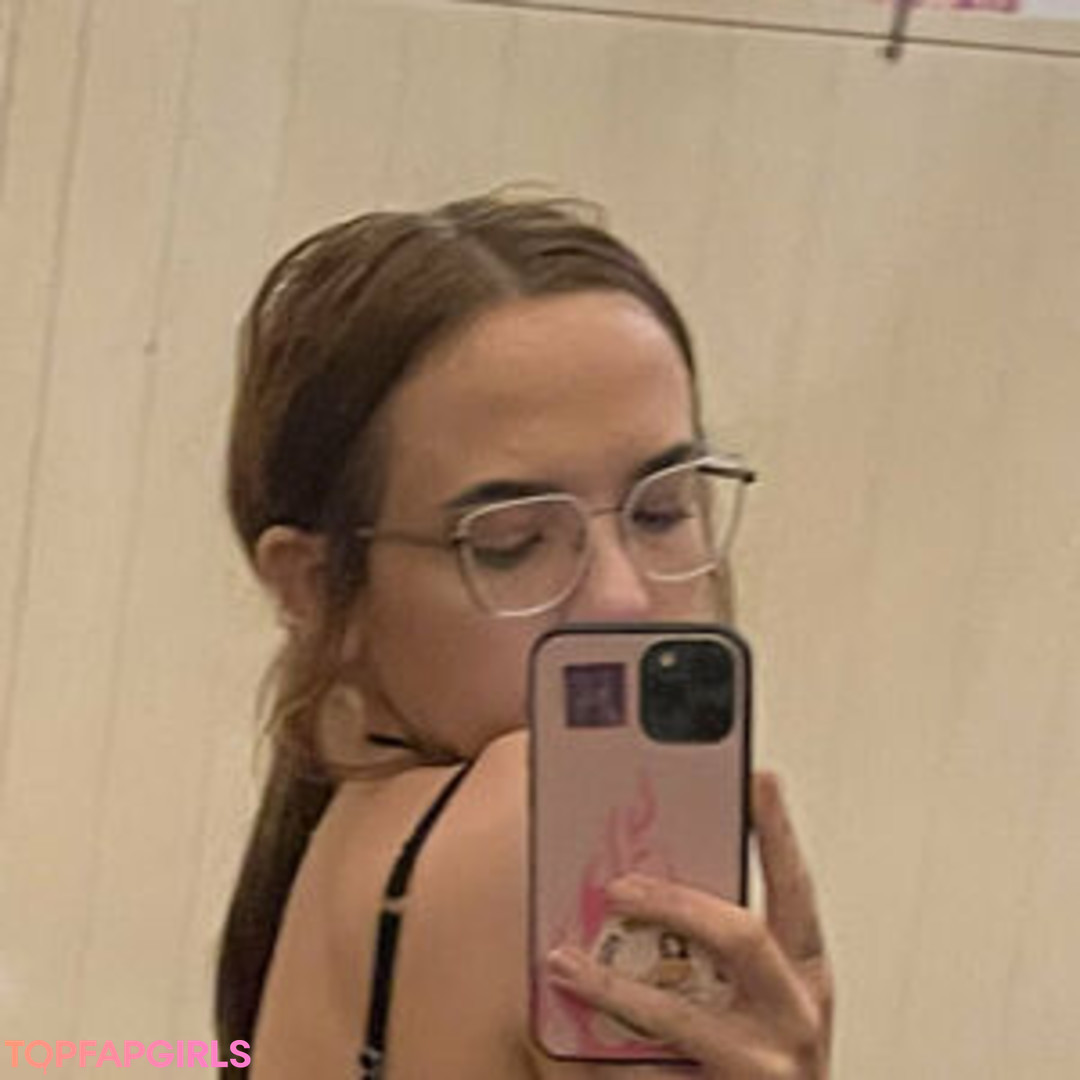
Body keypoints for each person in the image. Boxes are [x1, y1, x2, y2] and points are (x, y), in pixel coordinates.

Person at [216, 191, 833, 1078]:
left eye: (662, 510)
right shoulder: (534, 822)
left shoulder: (347, 854)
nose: (623, 598)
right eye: (512, 543)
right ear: (316, 587)